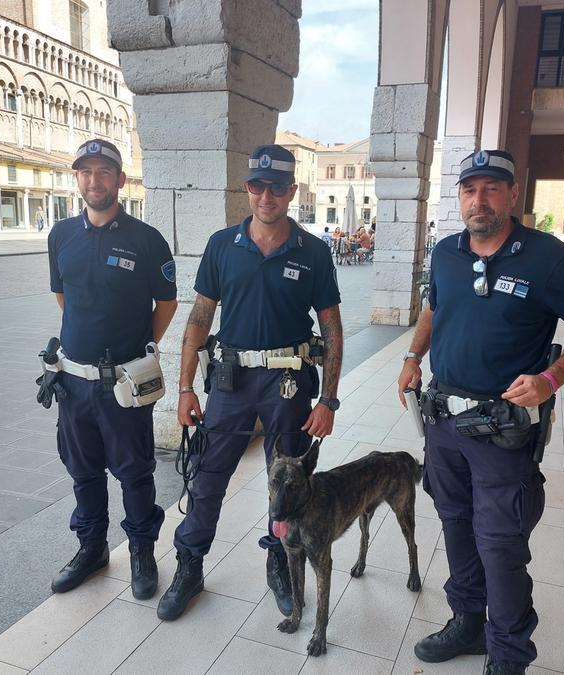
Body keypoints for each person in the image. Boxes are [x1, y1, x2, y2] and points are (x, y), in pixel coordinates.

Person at [397, 149, 564, 675]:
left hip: (503, 432)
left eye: (492, 188)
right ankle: (468, 621)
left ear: (512, 194)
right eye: (470, 189)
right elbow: (433, 307)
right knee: (455, 526)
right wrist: (411, 356)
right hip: (444, 422)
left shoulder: (548, 259)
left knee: (500, 545)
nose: (480, 199)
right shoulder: (446, 253)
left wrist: (550, 379)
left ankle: (510, 655)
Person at [158, 144, 343, 621]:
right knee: (209, 475)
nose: (266, 196)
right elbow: (199, 318)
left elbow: (332, 328)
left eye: (277, 187)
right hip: (231, 381)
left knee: (286, 480)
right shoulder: (222, 245)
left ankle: (279, 563)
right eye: (258, 186)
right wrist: (184, 388)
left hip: (288, 385)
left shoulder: (313, 252)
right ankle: (189, 564)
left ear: (291, 191)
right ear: (247, 188)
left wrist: (329, 399)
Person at [46, 139, 178, 600]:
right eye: (86, 172)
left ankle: (142, 551)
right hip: (73, 382)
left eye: (104, 172)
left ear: (121, 180)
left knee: (136, 472)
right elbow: (64, 299)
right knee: (82, 470)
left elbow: (167, 303)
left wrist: (140, 351)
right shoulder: (60, 235)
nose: (94, 180)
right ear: (77, 177)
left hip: (123, 384)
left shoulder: (146, 239)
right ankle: (92, 547)